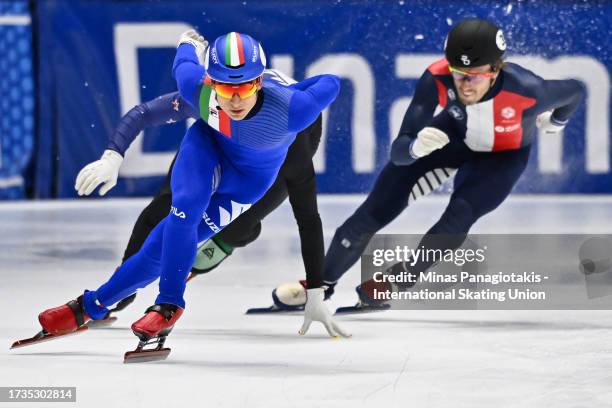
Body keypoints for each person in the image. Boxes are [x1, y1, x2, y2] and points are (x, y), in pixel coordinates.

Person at [24, 30, 347, 352]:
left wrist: (289, 88)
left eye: (245, 86)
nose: (234, 100)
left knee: (161, 247)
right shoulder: (199, 92)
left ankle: (89, 306)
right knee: (184, 210)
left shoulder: (294, 110)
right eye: (224, 87)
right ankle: (168, 305)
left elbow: (331, 80)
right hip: (207, 149)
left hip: (247, 183)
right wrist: (112, 155)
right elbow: (145, 112)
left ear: (259, 81)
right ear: (210, 81)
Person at [270, 18, 586, 311]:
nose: (465, 85)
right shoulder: (437, 76)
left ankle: (401, 278)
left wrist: (557, 122)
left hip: (502, 157)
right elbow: (399, 151)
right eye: (459, 74)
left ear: (496, 69)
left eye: (475, 76)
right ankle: (319, 285)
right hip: (450, 136)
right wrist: (415, 147)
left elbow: (575, 90)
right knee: (371, 212)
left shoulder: (528, 90)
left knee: (458, 217)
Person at [74, 72, 326, 320]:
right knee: (170, 205)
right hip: (226, 120)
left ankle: (208, 255)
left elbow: (308, 218)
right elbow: (147, 113)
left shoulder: (290, 144)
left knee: (238, 225)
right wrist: (123, 282)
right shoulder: (212, 103)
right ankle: (123, 287)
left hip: (276, 147)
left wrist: (315, 291)